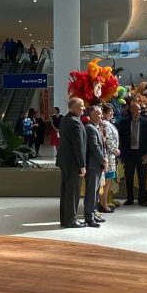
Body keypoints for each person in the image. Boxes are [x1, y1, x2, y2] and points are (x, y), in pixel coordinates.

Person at [57, 97, 86, 229]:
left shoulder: (65, 119)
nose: (83, 108)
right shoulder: (75, 122)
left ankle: (65, 219)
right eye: (81, 106)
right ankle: (71, 220)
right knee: (73, 192)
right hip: (73, 162)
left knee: (66, 191)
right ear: (73, 107)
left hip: (65, 161)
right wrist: (82, 165)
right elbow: (78, 146)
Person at [82, 105, 106, 227]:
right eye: (98, 114)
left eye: (101, 113)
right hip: (93, 165)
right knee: (91, 192)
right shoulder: (90, 128)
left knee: (96, 192)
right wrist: (103, 160)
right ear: (91, 115)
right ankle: (89, 217)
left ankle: (93, 213)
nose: (101, 115)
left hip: (97, 165)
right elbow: (95, 147)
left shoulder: (97, 127)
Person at [98, 102, 119, 214]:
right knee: (106, 182)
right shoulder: (105, 124)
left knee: (107, 182)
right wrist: (115, 150)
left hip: (110, 156)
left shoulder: (107, 123)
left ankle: (103, 203)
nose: (112, 114)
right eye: (110, 112)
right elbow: (108, 140)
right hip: (108, 156)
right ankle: (103, 204)